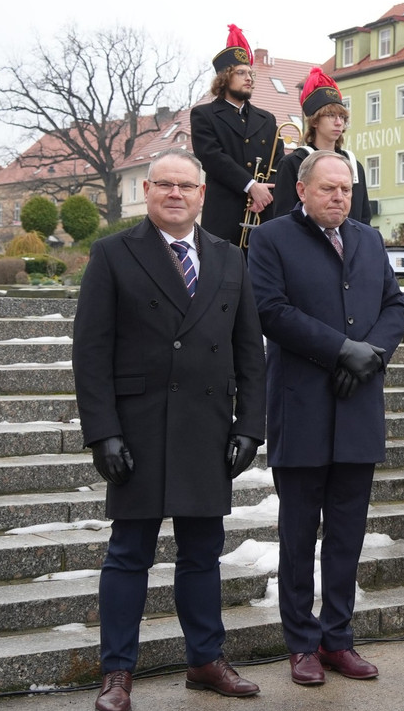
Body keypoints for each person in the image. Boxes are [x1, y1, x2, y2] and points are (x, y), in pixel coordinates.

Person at [73, 148, 267, 711]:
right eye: (164, 184)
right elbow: (90, 352)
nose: (175, 193)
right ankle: (117, 673)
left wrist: (249, 426)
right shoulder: (113, 254)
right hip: (137, 430)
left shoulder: (230, 259)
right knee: (129, 553)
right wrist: (101, 432)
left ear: (203, 195)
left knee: (202, 553)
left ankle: (206, 660)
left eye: (186, 185)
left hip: (207, 428)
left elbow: (248, 352)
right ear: (148, 191)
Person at [247, 150, 404, 687]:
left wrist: (371, 355)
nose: (340, 197)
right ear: (302, 189)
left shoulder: (367, 238)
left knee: (347, 533)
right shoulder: (272, 239)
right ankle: (301, 642)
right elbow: (270, 310)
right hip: (302, 406)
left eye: (346, 189)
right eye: (328, 189)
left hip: (358, 404)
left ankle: (338, 638)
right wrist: (342, 350)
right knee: (299, 533)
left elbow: (395, 307)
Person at [190, 25, 280, 246]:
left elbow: (277, 163)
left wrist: (266, 193)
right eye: (241, 73)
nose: (248, 78)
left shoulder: (266, 119)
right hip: (224, 217)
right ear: (224, 78)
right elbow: (211, 157)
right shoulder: (204, 115)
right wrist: (250, 186)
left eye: (250, 73)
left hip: (262, 214)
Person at [270, 68, 372, 224]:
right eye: (331, 115)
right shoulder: (292, 163)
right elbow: (283, 220)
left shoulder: (353, 164)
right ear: (315, 121)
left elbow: (364, 219)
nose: (339, 122)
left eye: (342, 117)